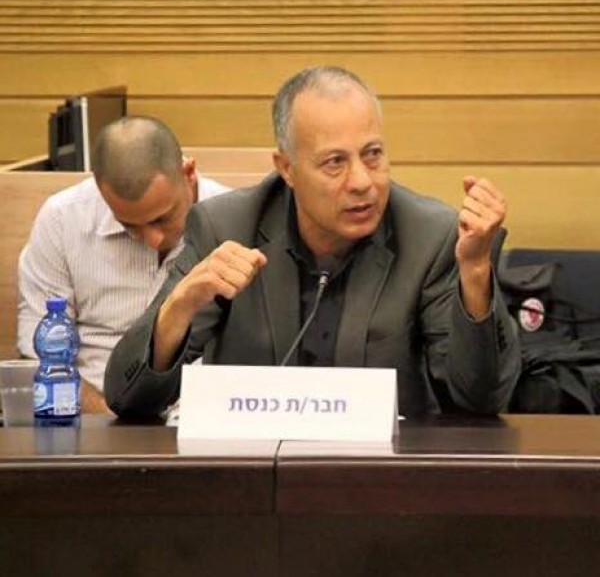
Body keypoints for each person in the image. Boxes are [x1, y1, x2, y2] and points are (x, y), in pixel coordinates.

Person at [105, 66, 520, 418]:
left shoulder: (429, 237)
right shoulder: (226, 227)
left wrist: (475, 271)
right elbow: (128, 399)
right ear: (286, 168)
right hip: (252, 475)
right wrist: (179, 306)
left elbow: (481, 402)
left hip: (381, 476)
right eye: (335, 162)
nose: (362, 182)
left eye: (373, 154)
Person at [18, 116, 229, 413]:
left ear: (188, 172)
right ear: (100, 190)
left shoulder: (232, 219)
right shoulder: (63, 219)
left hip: (201, 415)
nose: (153, 240)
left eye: (162, 218)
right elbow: (40, 353)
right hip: (92, 415)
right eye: (129, 225)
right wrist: (107, 420)